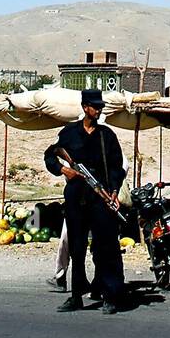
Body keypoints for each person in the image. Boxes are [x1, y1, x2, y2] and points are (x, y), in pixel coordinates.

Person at [43, 89, 126, 315]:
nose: (98, 111)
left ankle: (110, 295)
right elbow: (50, 154)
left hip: (100, 198)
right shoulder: (69, 133)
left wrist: (115, 192)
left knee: (105, 247)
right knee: (77, 248)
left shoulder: (106, 136)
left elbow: (117, 167)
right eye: (95, 106)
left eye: (100, 107)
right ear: (85, 107)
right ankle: (76, 295)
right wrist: (63, 170)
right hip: (76, 198)